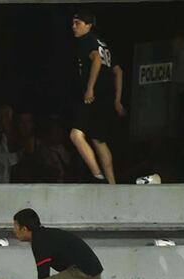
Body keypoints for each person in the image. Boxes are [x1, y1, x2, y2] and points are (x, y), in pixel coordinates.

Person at [70, 11, 124, 184]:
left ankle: (97, 174)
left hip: (94, 96)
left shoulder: (87, 40)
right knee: (99, 140)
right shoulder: (103, 44)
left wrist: (90, 88)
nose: (73, 26)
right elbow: (118, 71)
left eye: (77, 23)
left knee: (76, 135)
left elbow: (96, 61)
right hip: (107, 98)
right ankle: (112, 184)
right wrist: (117, 100)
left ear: (88, 25)